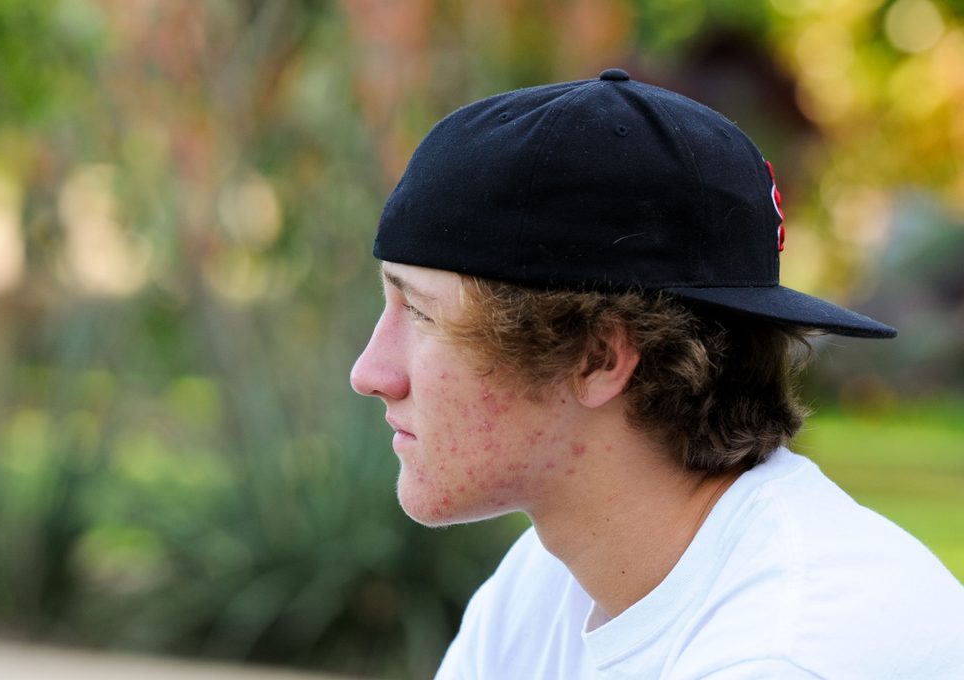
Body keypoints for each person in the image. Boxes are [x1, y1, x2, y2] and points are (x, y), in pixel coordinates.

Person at [349, 68, 964, 679]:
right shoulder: (550, 583)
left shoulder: (782, 654)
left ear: (599, 357)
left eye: (422, 315)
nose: (370, 372)